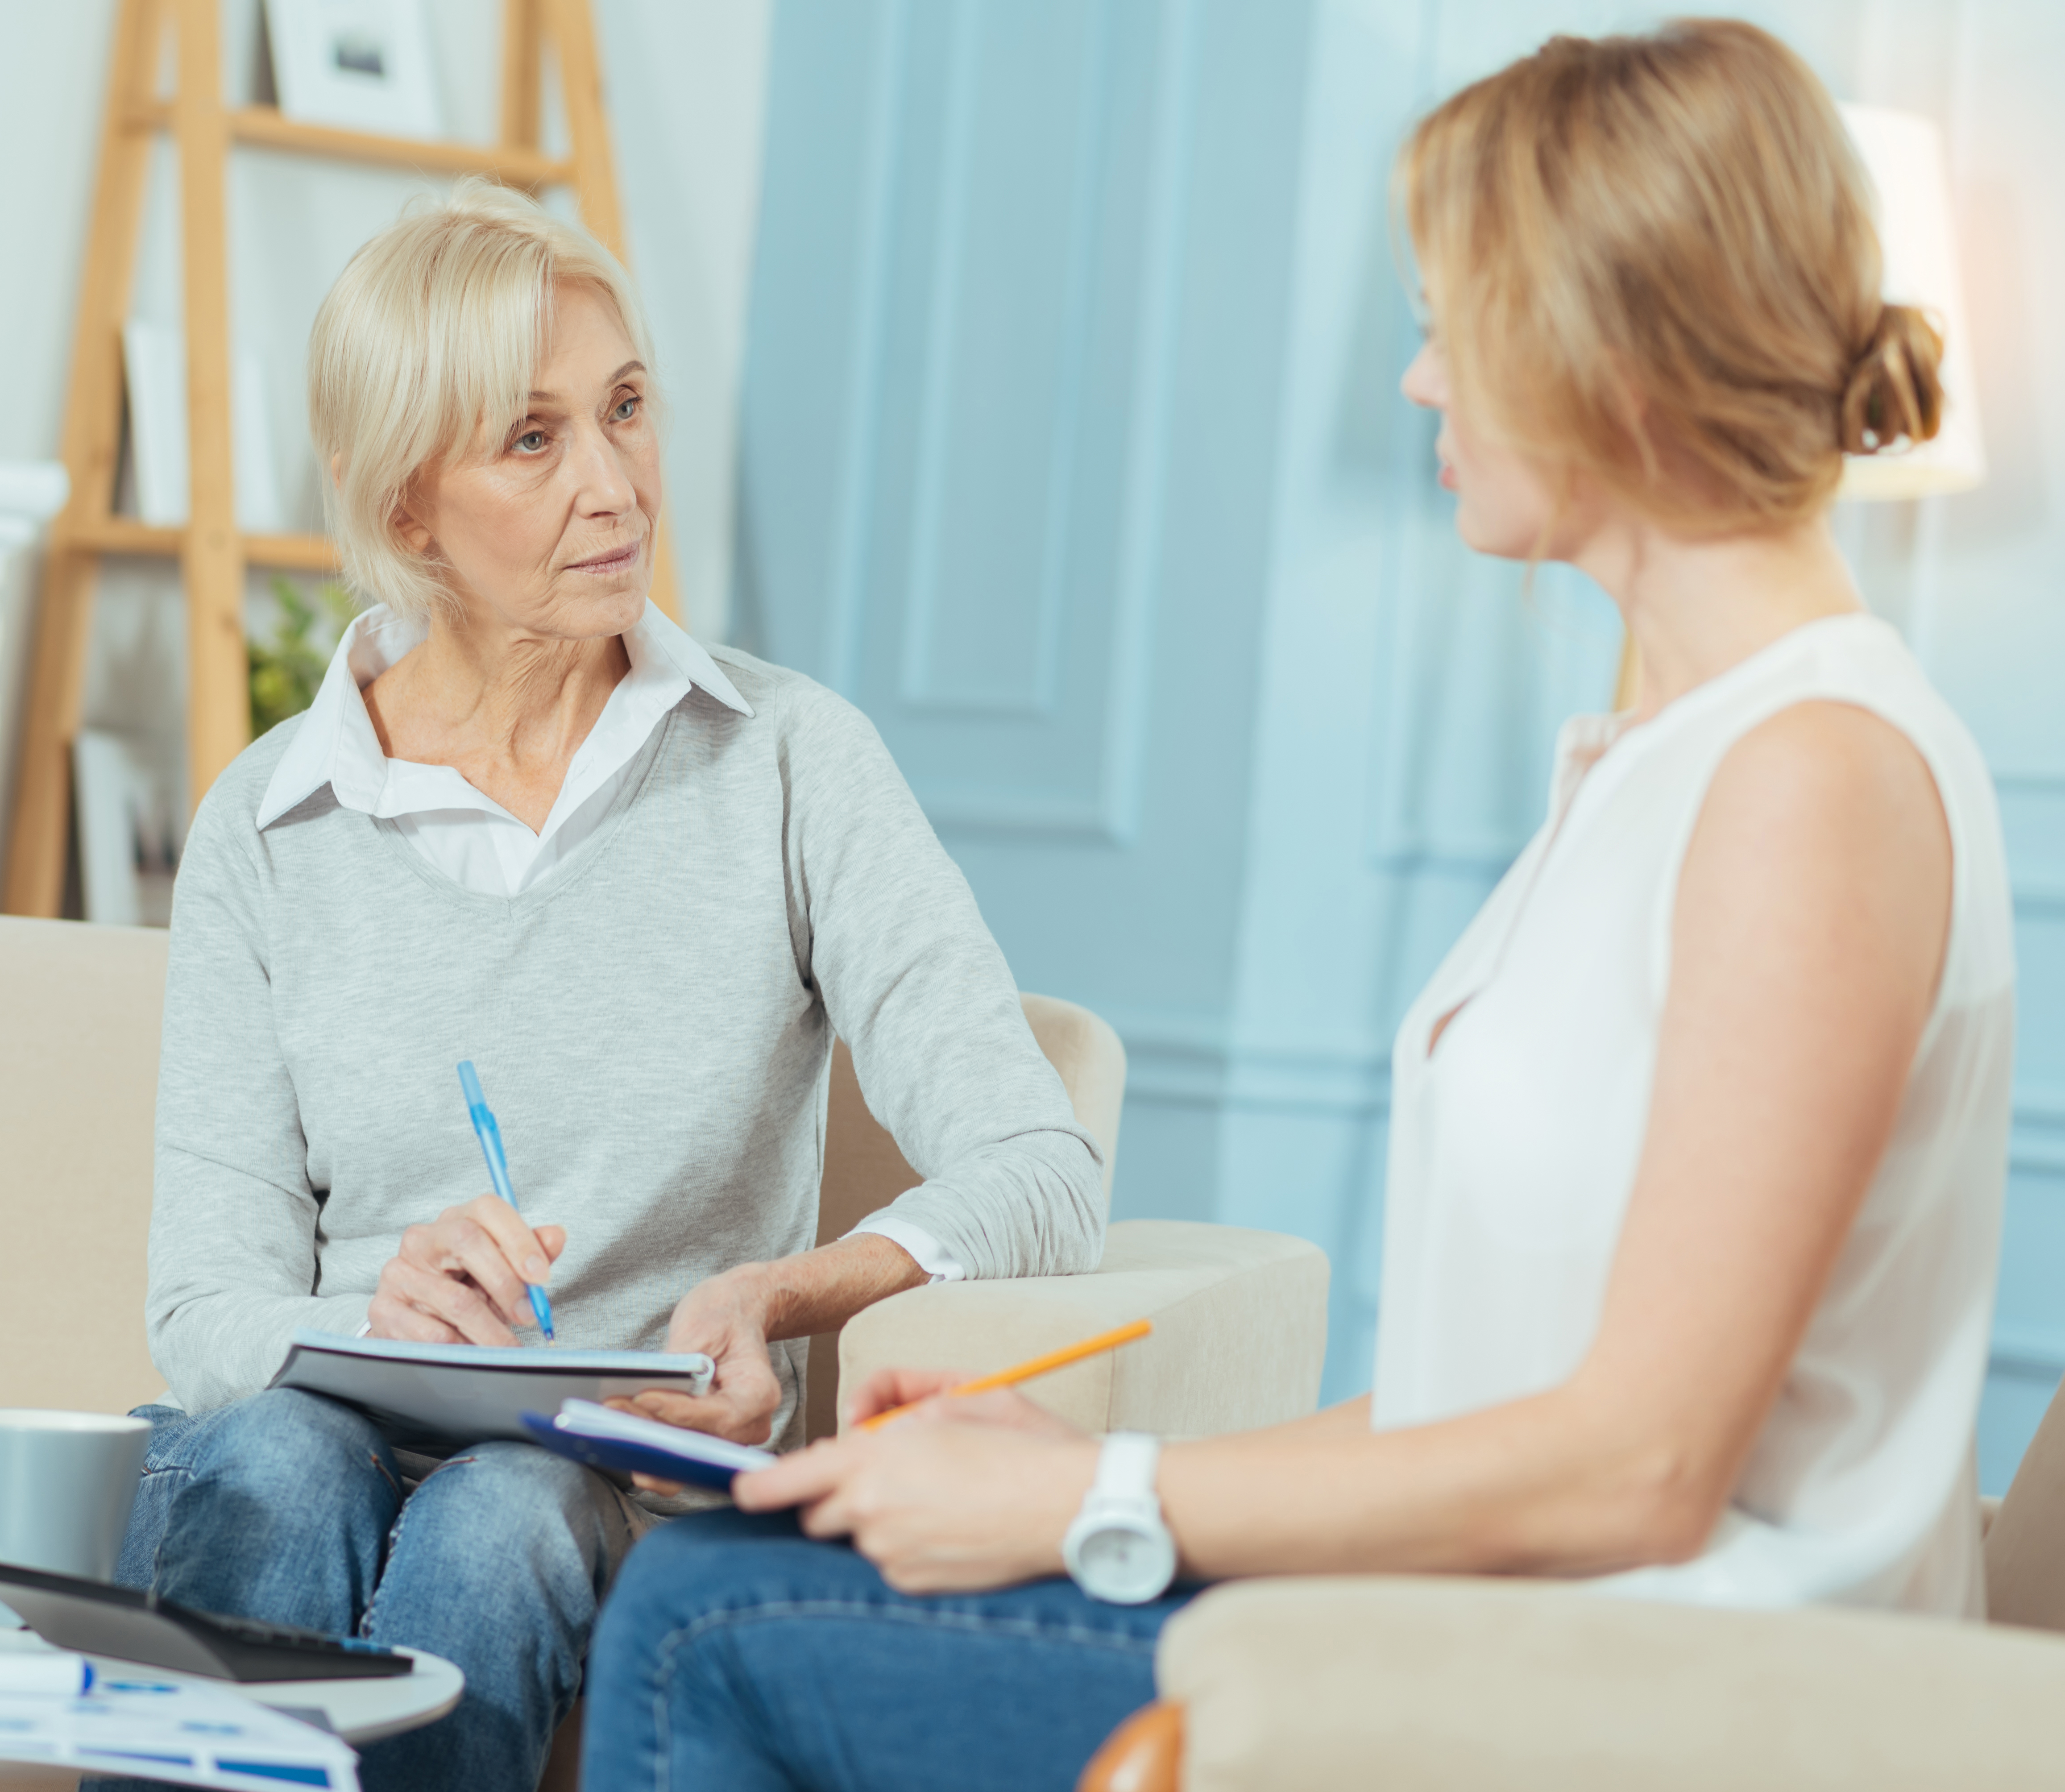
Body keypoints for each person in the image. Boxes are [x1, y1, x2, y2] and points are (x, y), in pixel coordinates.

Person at [582, 21, 2014, 1789]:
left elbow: (1640, 1466)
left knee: (710, 1616)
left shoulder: (1813, 776)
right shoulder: (1674, 758)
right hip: (1517, 1623)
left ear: (1602, 352)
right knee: (739, 1567)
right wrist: (1066, 1462)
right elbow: (1495, 1394)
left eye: (1446, 322)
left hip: (1664, 1700)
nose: (1418, 381)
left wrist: (1094, 1494)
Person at [100, 180, 1107, 1792]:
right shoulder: (271, 821)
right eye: (533, 438)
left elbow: (1042, 1171)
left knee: (502, 1515)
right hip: (304, 1448)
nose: (616, 484)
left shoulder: (790, 764)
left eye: (626, 409)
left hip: (603, 1482)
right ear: (407, 508)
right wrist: (371, 1317)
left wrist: (788, 1292)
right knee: (279, 1463)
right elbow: (202, 1312)